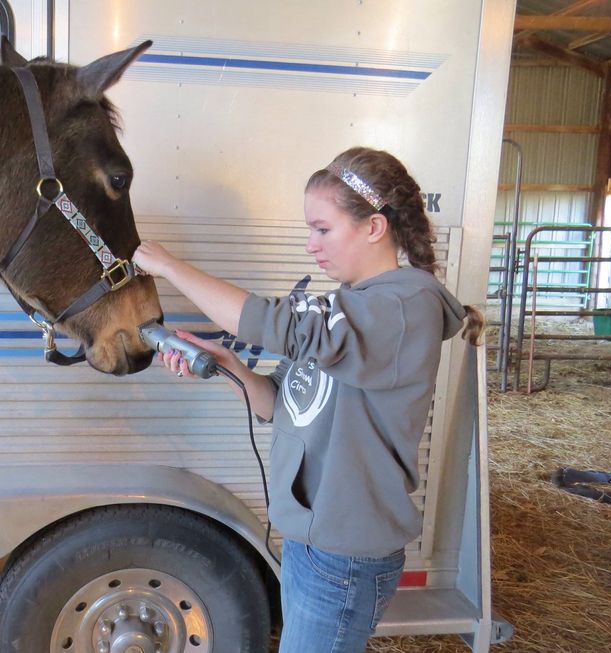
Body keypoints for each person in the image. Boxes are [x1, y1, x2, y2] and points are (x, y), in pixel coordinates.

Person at [132, 146, 484, 653]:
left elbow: (278, 324)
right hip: (309, 543)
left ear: (374, 227)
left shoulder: (406, 306)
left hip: (345, 557)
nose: (310, 245)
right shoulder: (349, 307)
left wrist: (169, 266)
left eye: (322, 228)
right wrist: (232, 367)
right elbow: (282, 404)